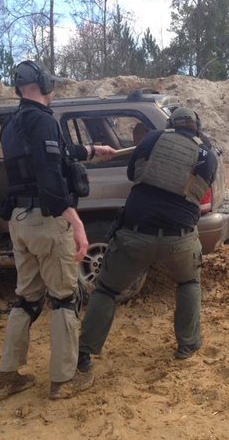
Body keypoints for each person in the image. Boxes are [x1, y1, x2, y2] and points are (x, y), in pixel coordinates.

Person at [0, 60, 116, 400]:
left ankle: (6, 377)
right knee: (64, 298)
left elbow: (53, 156)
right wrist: (74, 220)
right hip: (47, 220)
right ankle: (63, 381)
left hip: (20, 220)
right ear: (45, 84)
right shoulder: (42, 121)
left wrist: (91, 150)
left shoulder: (11, 123)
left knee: (27, 299)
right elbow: (48, 175)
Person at [77, 106, 218, 375]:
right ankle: (187, 345)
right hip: (179, 239)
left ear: (171, 124)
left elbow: (133, 175)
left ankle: (84, 353)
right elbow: (200, 195)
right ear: (196, 127)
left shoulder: (152, 139)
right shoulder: (207, 156)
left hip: (134, 234)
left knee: (106, 291)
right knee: (188, 283)